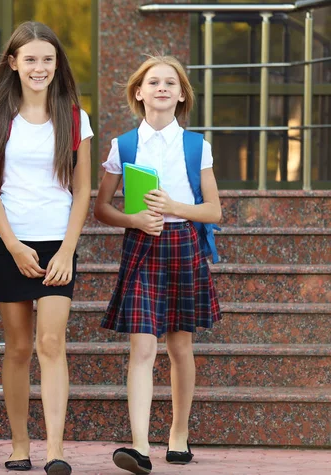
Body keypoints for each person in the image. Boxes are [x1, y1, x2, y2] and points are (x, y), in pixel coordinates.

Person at [0, 21, 92, 475]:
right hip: (11, 244)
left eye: (47, 58)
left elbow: (82, 192)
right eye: (30, 59)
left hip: (57, 243)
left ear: (56, 63)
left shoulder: (76, 117)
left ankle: (55, 450)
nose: (39, 67)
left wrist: (66, 249)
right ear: (13, 64)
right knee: (19, 347)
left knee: (51, 341)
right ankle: (20, 445)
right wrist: (13, 245)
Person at [94, 55, 222, 475]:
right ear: (139, 92)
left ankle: (179, 433)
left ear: (181, 94)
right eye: (153, 82)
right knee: (142, 346)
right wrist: (134, 219)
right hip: (142, 246)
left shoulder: (195, 145)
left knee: (179, 346)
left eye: (171, 82)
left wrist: (173, 206)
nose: (162, 88)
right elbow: (102, 207)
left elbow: (214, 211)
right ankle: (139, 446)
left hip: (183, 243)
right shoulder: (124, 145)